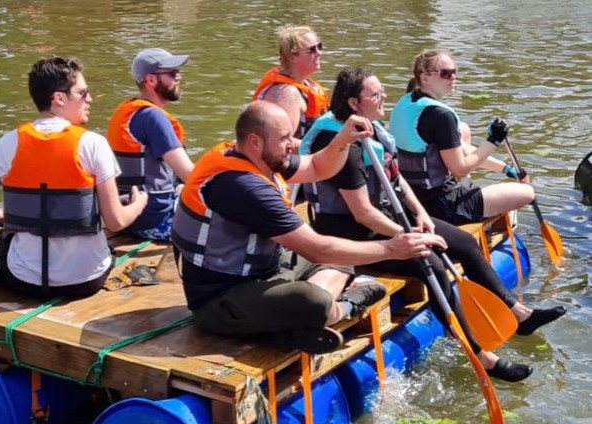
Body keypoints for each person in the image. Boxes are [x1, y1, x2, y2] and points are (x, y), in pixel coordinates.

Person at [300, 68, 565, 381]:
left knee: (464, 244)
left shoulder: (370, 127)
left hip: (387, 216)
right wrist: (407, 236)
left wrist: (420, 214)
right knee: (434, 265)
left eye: (382, 90)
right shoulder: (342, 143)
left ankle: (518, 314)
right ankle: (481, 355)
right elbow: (361, 214)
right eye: (376, 94)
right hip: (351, 232)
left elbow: (395, 178)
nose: (384, 96)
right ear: (354, 103)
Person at [171, 100, 449, 354]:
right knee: (313, 300)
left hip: (262, 271)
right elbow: (315, 249)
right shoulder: (242, 186)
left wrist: (341, 141)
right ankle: (345, 305)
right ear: (254, 141)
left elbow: (317, 166)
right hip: (219, 298)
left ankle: (293, 321)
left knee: (341, 255)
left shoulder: (255, 156)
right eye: (283, 138)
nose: (293, 143)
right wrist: (391, 248)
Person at [0, 56, 148, 298]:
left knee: (7, 237)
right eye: (83, 92)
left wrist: (7, 217)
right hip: (87, 281)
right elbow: (116, 222)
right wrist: (139, 204)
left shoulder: (8, 143)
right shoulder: (93, 144)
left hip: (24, 281)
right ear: (59, 98)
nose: (89, 99)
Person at [389, 49, 535, 225]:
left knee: (463, 130)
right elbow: (460, 169)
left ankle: (475, 198)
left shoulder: (407, 101)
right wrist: (493, 141)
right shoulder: (441, 116)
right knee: (527, 193)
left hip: (409, 195)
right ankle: (470, 214)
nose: (452, 77)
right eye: (445, 73)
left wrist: (507, 169)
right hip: (441, 204)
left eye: (454, 72)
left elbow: (462, 150)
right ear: (424, 78)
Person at [106, 48, 194, 241]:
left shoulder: (128, 112)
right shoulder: (153, 117)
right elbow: (191, 175)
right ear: (151, 80)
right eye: (172, 73)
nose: (178, 77)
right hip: (156, 220)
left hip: (132, 216)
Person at [252, 25, 329, 150]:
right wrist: (328, 150)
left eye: (319, 47)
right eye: (311, 50)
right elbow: (281, 142)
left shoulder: (307, 85)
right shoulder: (286, 93)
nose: (319, 53)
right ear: (292, 57)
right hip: (291, 164)